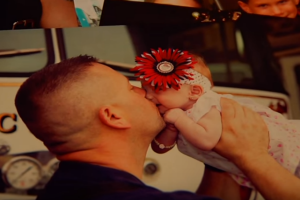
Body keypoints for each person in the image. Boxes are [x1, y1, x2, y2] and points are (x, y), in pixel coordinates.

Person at [14, 55, 300, 200]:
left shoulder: (65, 189)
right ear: (113, 117)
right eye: (130, 88)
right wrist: (254, 159)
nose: (146, 92)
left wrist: (224, 157)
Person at [132, 48, 300, 188]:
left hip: (283, 155)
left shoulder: (208, 106)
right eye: (145, 88)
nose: (148, 96)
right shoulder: (175, 112)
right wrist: (170, 128)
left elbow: (207, 141)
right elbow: (160, 148)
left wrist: (178, 120)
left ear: (195, 92)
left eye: (158, 89)